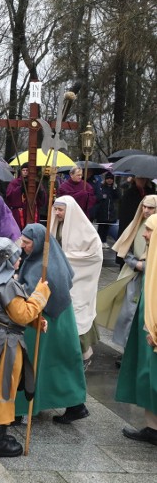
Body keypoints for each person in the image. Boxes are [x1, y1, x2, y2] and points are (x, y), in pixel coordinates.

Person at [0, 237, 49, 457]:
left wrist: (35, 322)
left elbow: (7, 312)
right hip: (4, 343)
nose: (19, 257)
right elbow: (22, 313)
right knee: (0, 387)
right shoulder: (7, 284)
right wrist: (40, 294)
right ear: (6, 259)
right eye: (15, 255)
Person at [15, 223, 88, 424]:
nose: (23, 246)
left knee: (31, 361)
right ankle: (75, 404)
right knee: (59, 364)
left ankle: (20, 409)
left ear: (38, 243)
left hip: (45, 319)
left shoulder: (45, 265)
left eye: (28, 243)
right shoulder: (47, 258)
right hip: (61, 318)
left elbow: (38, 292)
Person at [115, 213, 157, 445]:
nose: (144, 234)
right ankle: (153, 427)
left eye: (149, 230)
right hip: (147, 325)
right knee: (146, 375)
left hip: (154, 329)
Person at [50, 196, 102, 369]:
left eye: (60, 210)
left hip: (79, 281)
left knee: (78, 315)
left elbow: (95, 256)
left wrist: (66, 258)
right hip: (60, 278)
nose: (57, 213)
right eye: (55, 209)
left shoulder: (87, 230)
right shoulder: (56, 225)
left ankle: (86, 354)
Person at [110, 195, 157, 348]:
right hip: (134, 275)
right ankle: (126, 349)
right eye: (144, 207)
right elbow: (125, 248)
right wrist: (134, 262)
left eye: (150, 208)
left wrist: (146, 266)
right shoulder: (137, 225)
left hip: (152, 277)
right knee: (128, 313)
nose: (146, 210)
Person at [5, 165, 47, 229]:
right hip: (19, 212)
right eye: (23, 170)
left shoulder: (36, 183)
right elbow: (10, 196)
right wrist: (21, 187)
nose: (25, 172)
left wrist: (38, 189)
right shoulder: (15, 182)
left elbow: (43, 198)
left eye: (27, 170)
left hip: (32, 211)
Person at [94, 173, 119, 244]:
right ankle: (99, 241)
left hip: (110, 211)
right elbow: (97, 197)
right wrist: (102, 196)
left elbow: (118, 197)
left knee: (107, 226)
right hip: (102, 210)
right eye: (108, 178)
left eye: (111, 179)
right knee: (101, 226)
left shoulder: (114, 188)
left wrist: (115, 189)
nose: (109, 180)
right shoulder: (101, 187)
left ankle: (104, 241)